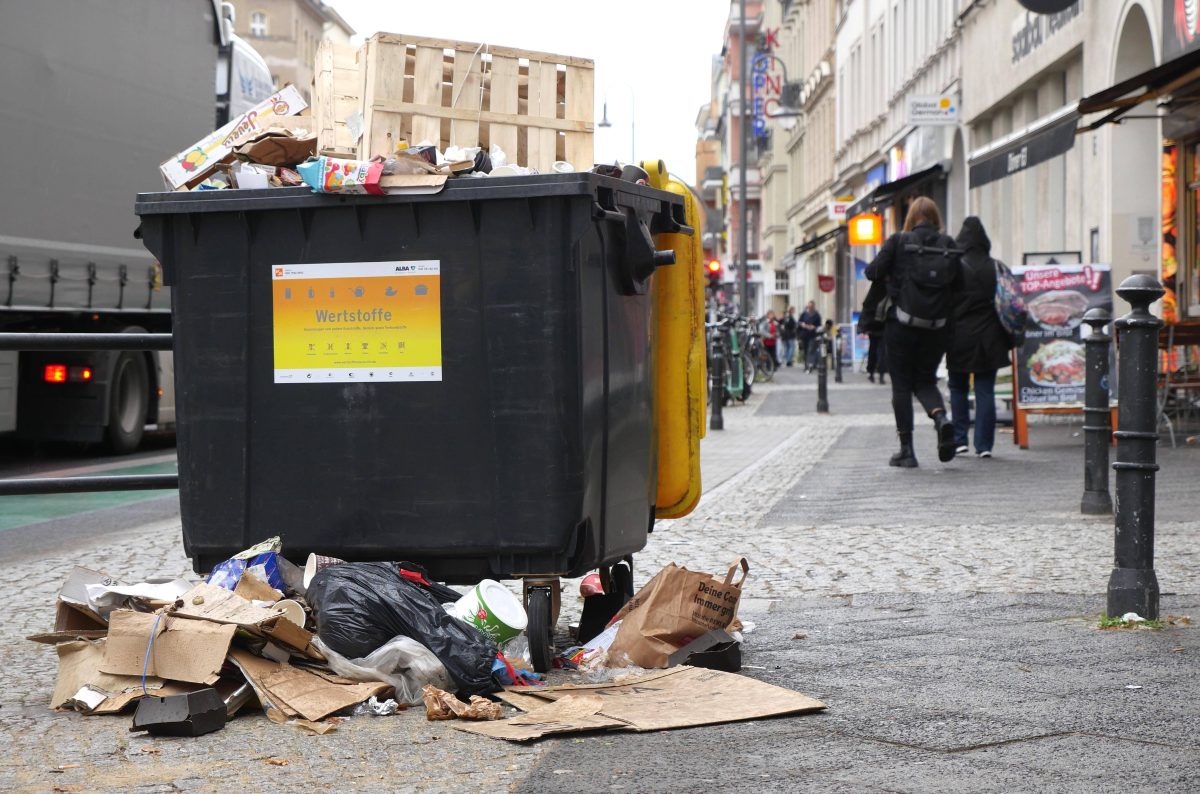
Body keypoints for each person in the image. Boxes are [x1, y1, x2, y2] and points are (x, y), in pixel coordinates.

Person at [864, 196, 962, 468]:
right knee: (925, 380)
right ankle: (941, 418)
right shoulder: (948, 245)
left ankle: (907, 450)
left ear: (911, 218)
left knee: (902, 386)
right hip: (936, 328)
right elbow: (960, 285)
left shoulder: (899, 241)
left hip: (901, 326)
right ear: (935, 218)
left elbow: (872, 272)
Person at [947, 217, 1012, 458]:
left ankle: (959, 438)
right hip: (989, 337)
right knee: (985, 391)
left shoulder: (954, 266)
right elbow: (1009, 301)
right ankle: (984, 445)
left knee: (958, 388)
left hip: (958, 337)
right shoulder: (996, 267)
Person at [797, 301, 822, 372]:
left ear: (814, 306)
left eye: (812, 307)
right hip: (804, 335)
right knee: (805, 350)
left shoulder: (817, 315)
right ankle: (806, 365)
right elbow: (799, 322)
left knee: (810, 350)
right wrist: (803, 325)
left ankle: (810, 365)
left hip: (813, 335)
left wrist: (814, 327)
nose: (810, 308)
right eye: (809, 306)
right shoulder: (804, 314)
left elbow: (819, 325)